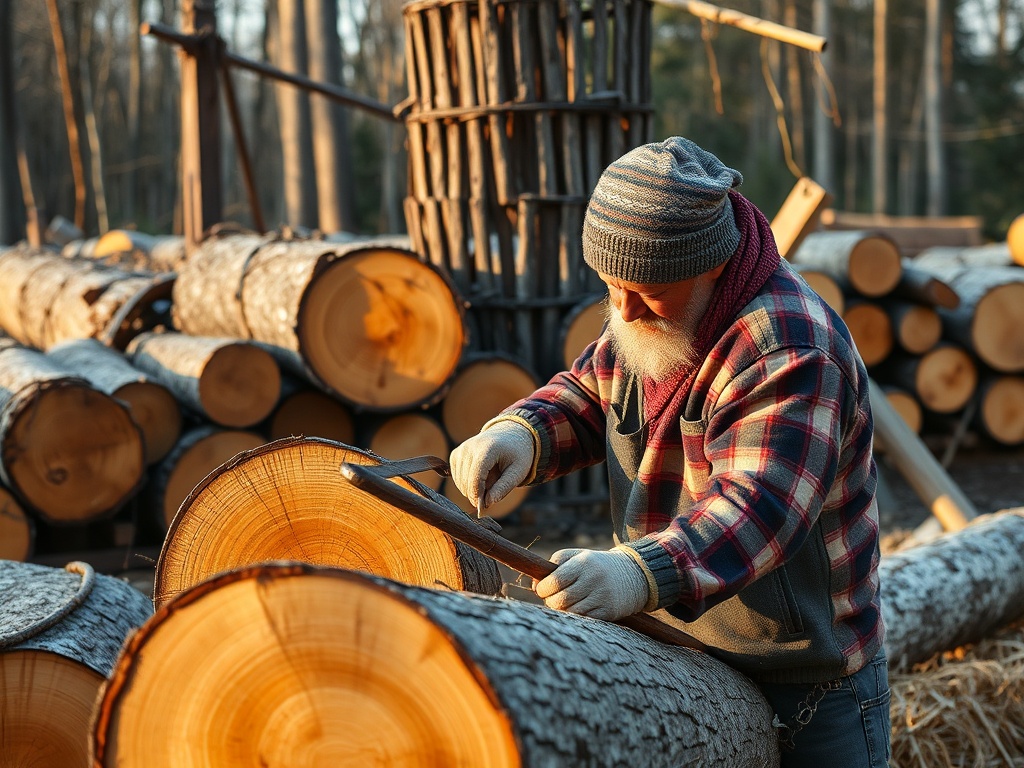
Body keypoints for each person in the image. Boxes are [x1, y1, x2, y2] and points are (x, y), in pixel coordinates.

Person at [449, 136, 889, 766]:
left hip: (802, 676)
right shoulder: (656, 306)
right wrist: (524, 432)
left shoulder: (788, 348)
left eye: (646, 291)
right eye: (610, 285)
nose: (621, 310)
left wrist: (639, 572)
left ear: (712, 265)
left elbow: (757, 509)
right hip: (678, 650)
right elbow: (591, 388)